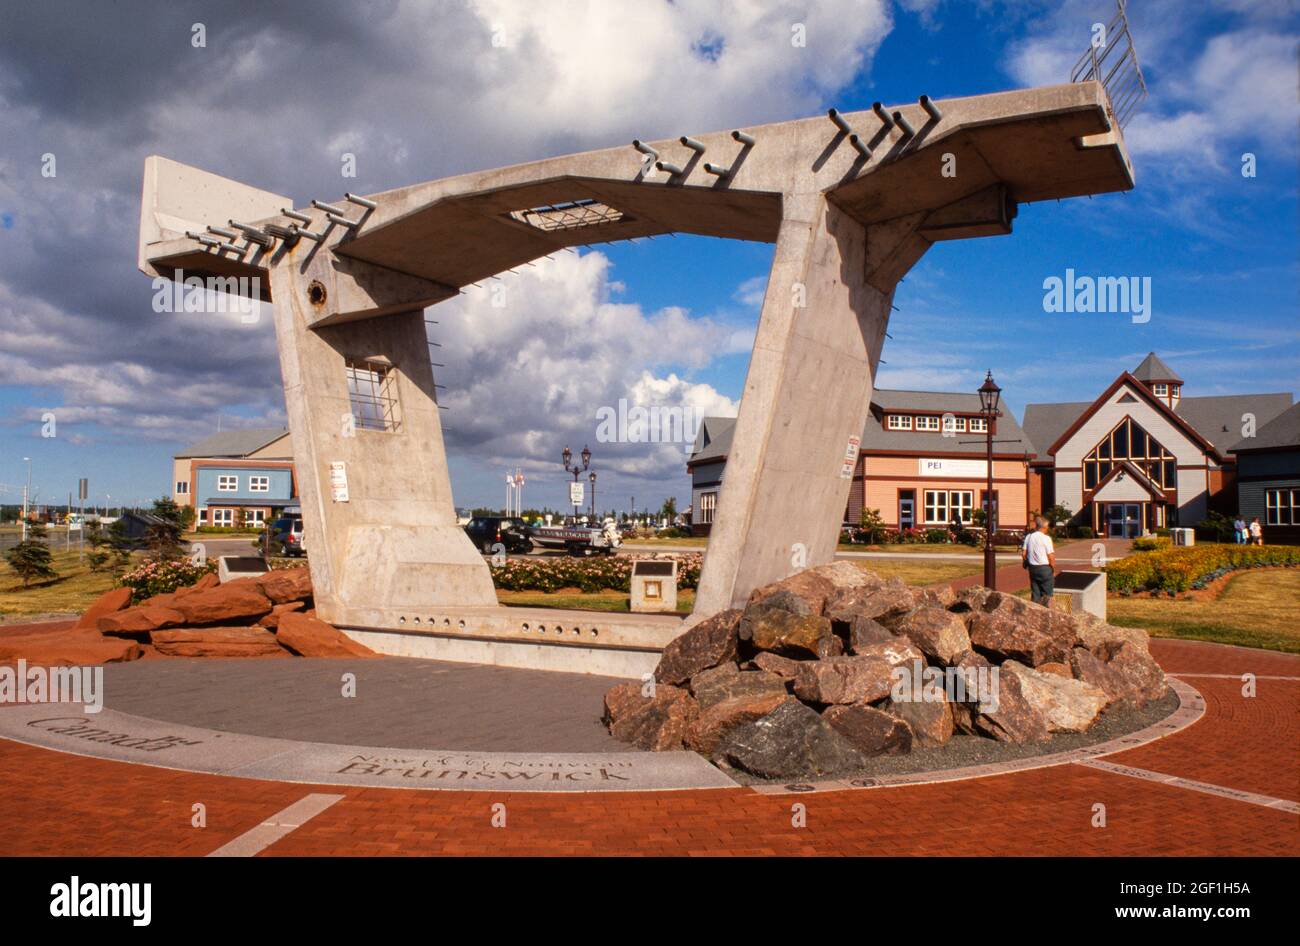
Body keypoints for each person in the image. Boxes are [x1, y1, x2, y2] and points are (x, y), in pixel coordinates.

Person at [1021, 515, 1056, 604]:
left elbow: (1024, 553)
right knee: (1047, 594)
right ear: (1044, 527)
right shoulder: (1046, 538)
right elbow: (1051, 556)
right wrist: (1053, 568)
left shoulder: (1029, 536)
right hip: (1044, 568)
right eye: (1047, 526)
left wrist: (1027, 562)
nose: (1048, 528)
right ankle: (1047, 612)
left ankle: (1035, 611)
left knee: (1035, 593)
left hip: (1033, 568)